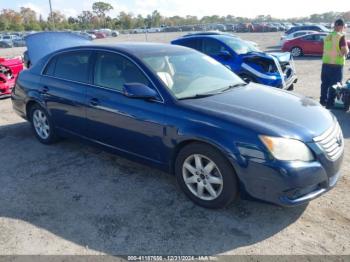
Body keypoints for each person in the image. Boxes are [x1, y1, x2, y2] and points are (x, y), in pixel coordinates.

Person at [320, 19, 349, 108]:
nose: (344, 28)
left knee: (324, 83)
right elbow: (344, 50)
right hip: (336, 65)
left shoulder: (328, 36)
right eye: (343, 26)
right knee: (335, 85)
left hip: (326, 64)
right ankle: (330, 103)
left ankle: (322, 101)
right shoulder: (341, 36)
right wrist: (347, 51)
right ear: (340, 26)